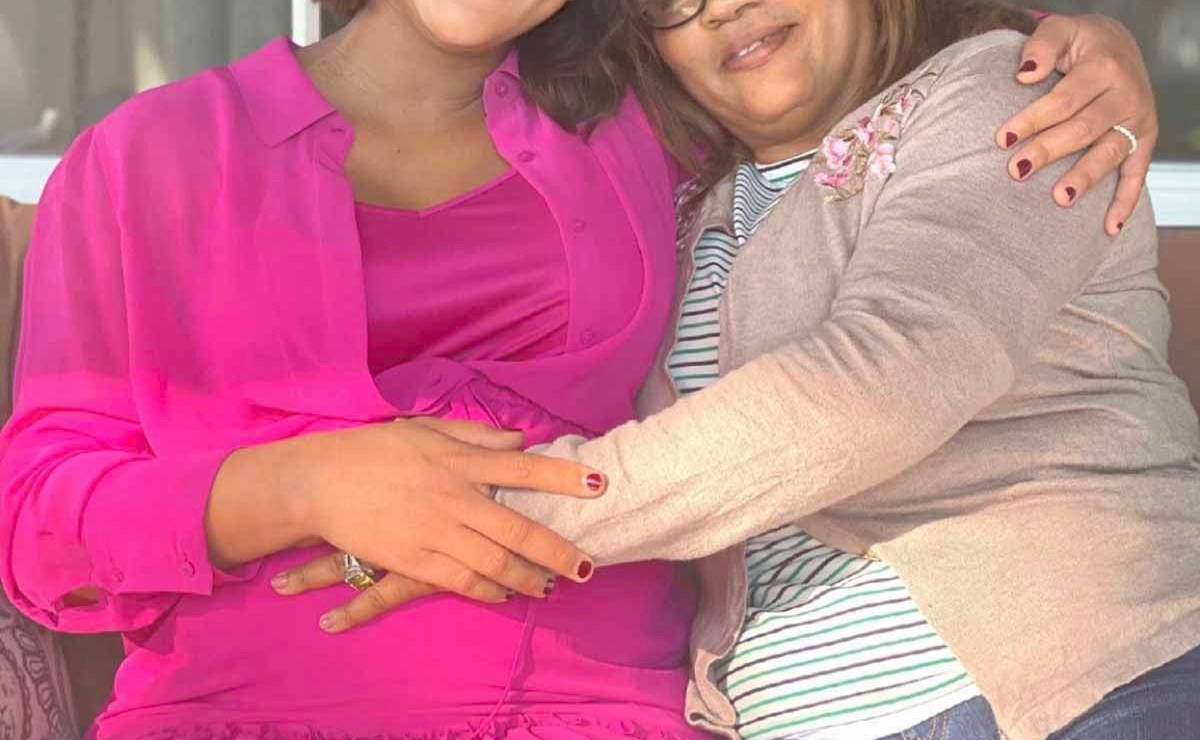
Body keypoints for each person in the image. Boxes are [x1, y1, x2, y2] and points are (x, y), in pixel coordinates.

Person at [0, 0, 1166, 738]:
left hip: (620, 712)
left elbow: (862, 96)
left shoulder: (649, 133)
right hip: (246, 712)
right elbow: (42, 530)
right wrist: (302, 487)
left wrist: (1071, 44)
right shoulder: (142, 159)